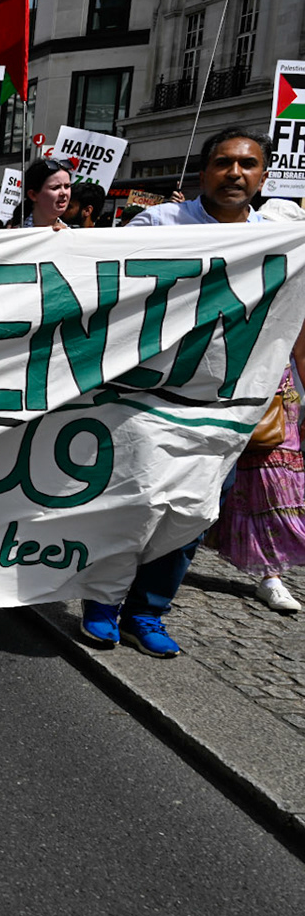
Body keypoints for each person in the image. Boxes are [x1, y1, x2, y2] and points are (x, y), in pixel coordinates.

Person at [80, 129, 279, 658]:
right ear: (203, 172)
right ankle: (102, 604)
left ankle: (148, 612)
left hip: (226, 409)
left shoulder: (281, 237)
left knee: (190, 514)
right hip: (146, 400)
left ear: (264, 174)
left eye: (247, 164)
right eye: (223, 163)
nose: (234, 173)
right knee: (131, 503)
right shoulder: (159, 224)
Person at [216, 361, 305, 614]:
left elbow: (302, 353)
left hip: (276, 400)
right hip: (223, 389)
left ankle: (271, 577)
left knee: (275, 487)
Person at [21, 158, 72, 228]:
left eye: (67, 186)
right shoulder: (13, 235)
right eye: (55, 187)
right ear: (33, 195)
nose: (63, 193)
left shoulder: (73, 235)